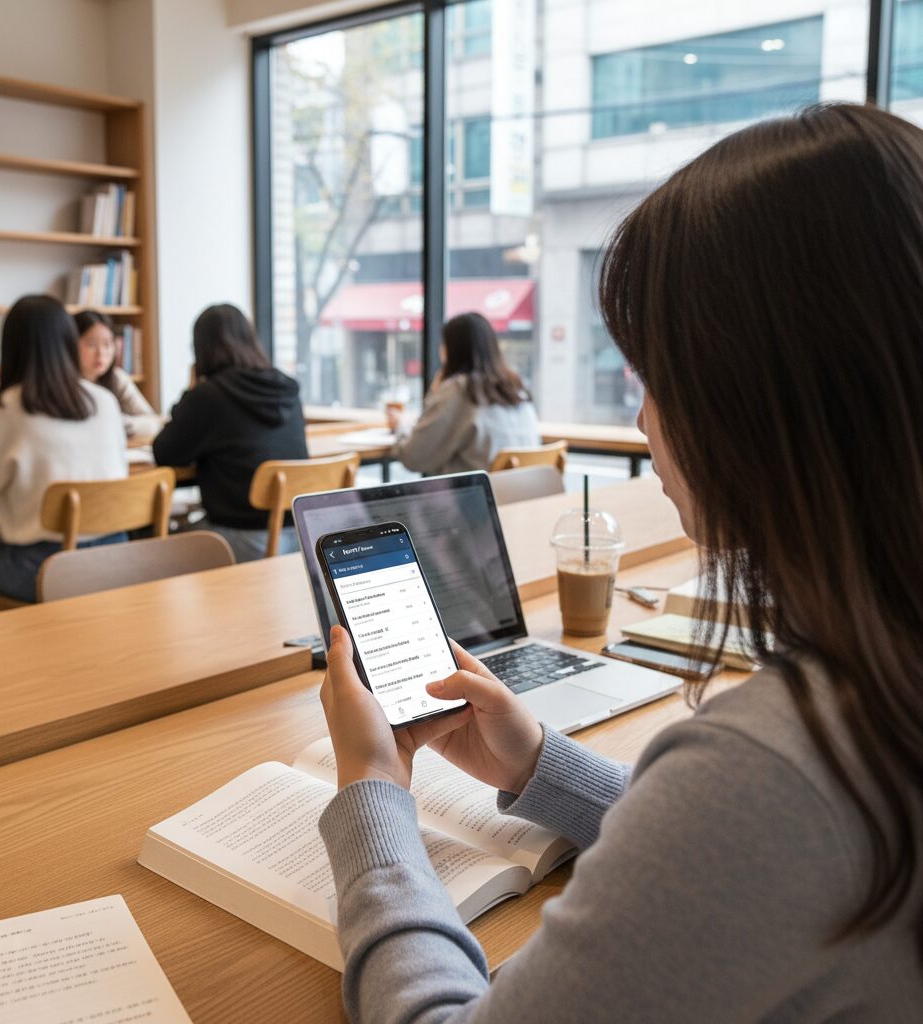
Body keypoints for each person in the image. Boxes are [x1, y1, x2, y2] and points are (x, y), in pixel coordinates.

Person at [316, 104, 923, 1021]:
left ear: (759, 402)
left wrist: (372, 799)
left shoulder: (779, 761)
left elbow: (754, 819)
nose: (643, 420)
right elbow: (739, 859)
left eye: (660, 379)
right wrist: (541, 766)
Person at [0, 296, 128, 614]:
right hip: (119, 556)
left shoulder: (5, 409)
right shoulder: (104, 401)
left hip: (48, 565)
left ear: (11, 347)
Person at [153, 303, 307, 562]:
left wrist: (191, 390)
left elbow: (164, 452)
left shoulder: (209, 395)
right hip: (301, 537)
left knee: (150, 543)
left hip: (242, 539)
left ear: (202, 349)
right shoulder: (286, 388)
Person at [388, 312, 540, 475]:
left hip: (477, 491)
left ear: (451, 349)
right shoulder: (516, 388)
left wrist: (401, 426)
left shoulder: (458, 389)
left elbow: (414, 457)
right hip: (524, 490)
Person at [74, 309, 162, 438]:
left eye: (107, 344)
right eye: (91, 344)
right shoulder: (62, 383)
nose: (101, 353)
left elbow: (153, 423)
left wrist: (117, 424)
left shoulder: (117, 378)